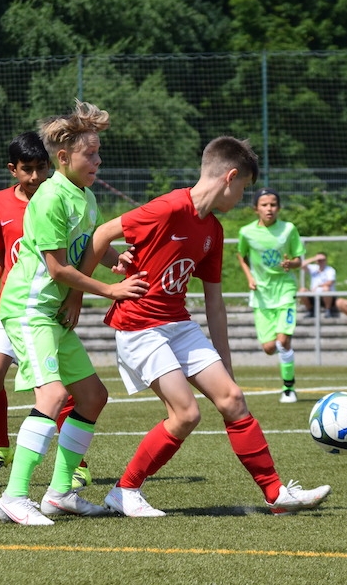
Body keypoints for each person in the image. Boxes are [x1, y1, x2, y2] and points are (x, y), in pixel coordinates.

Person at [84, 136, 330, 519]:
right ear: (229, 177)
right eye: (244, 188)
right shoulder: (168, 207)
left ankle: (276, 494)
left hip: (178, 323)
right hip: (139, 325)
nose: (244, 198)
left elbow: (214, 304)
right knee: (186, 414)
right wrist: (86, 291)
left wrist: (225, 367)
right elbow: (101, 234)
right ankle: (125, 490)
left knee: (232, 399)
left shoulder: (214, 230)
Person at [0, 100, 149, 526]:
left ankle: (60, 493)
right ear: (63, 157)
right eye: (90, 154)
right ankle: (13, 496)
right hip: (30, 310)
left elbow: (87, 246)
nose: (98, 161)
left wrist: (116, 259)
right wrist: (111, 290)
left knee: (94, 396)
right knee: (53, 396)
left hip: (54, 313)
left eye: (99, 153)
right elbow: (57, 269)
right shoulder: (50, 197)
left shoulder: (86, 196)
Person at [0, 131, 86, 488]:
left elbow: (79, 252)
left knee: (59, 386)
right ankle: (0, 448)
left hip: (46, 306)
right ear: (13, 169)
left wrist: (75, 297)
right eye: (27, 169)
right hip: (13, 303)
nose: (35, 176)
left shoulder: (59, 199)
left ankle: (76, 463)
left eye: (41, 168)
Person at [236, 188, 305, 404]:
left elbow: (299, 260)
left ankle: (288, 388)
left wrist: (291, 263)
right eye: (264, 205)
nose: (269, 209)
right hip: (262, 295)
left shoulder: (288, 229)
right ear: (255, 208)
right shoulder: (246, 232)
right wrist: (249, 277)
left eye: (273, 204)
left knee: (282, 340)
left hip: (285, 290)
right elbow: (241, 255)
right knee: (268, 348)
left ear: (279, 207)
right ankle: (286, 356)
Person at [299, 252, 337, 318]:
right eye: (319, 260)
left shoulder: (330, 270)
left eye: (322, 260)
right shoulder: (313, 268)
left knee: (326, 288)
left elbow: (330, 282)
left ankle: (328, 310)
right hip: (314, 295)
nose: (321, 261)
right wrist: (314, 258)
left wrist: (318, 286)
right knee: (302, 290)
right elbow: (301, 265)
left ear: (326, 260)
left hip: (327, 296)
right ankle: (310, 310)